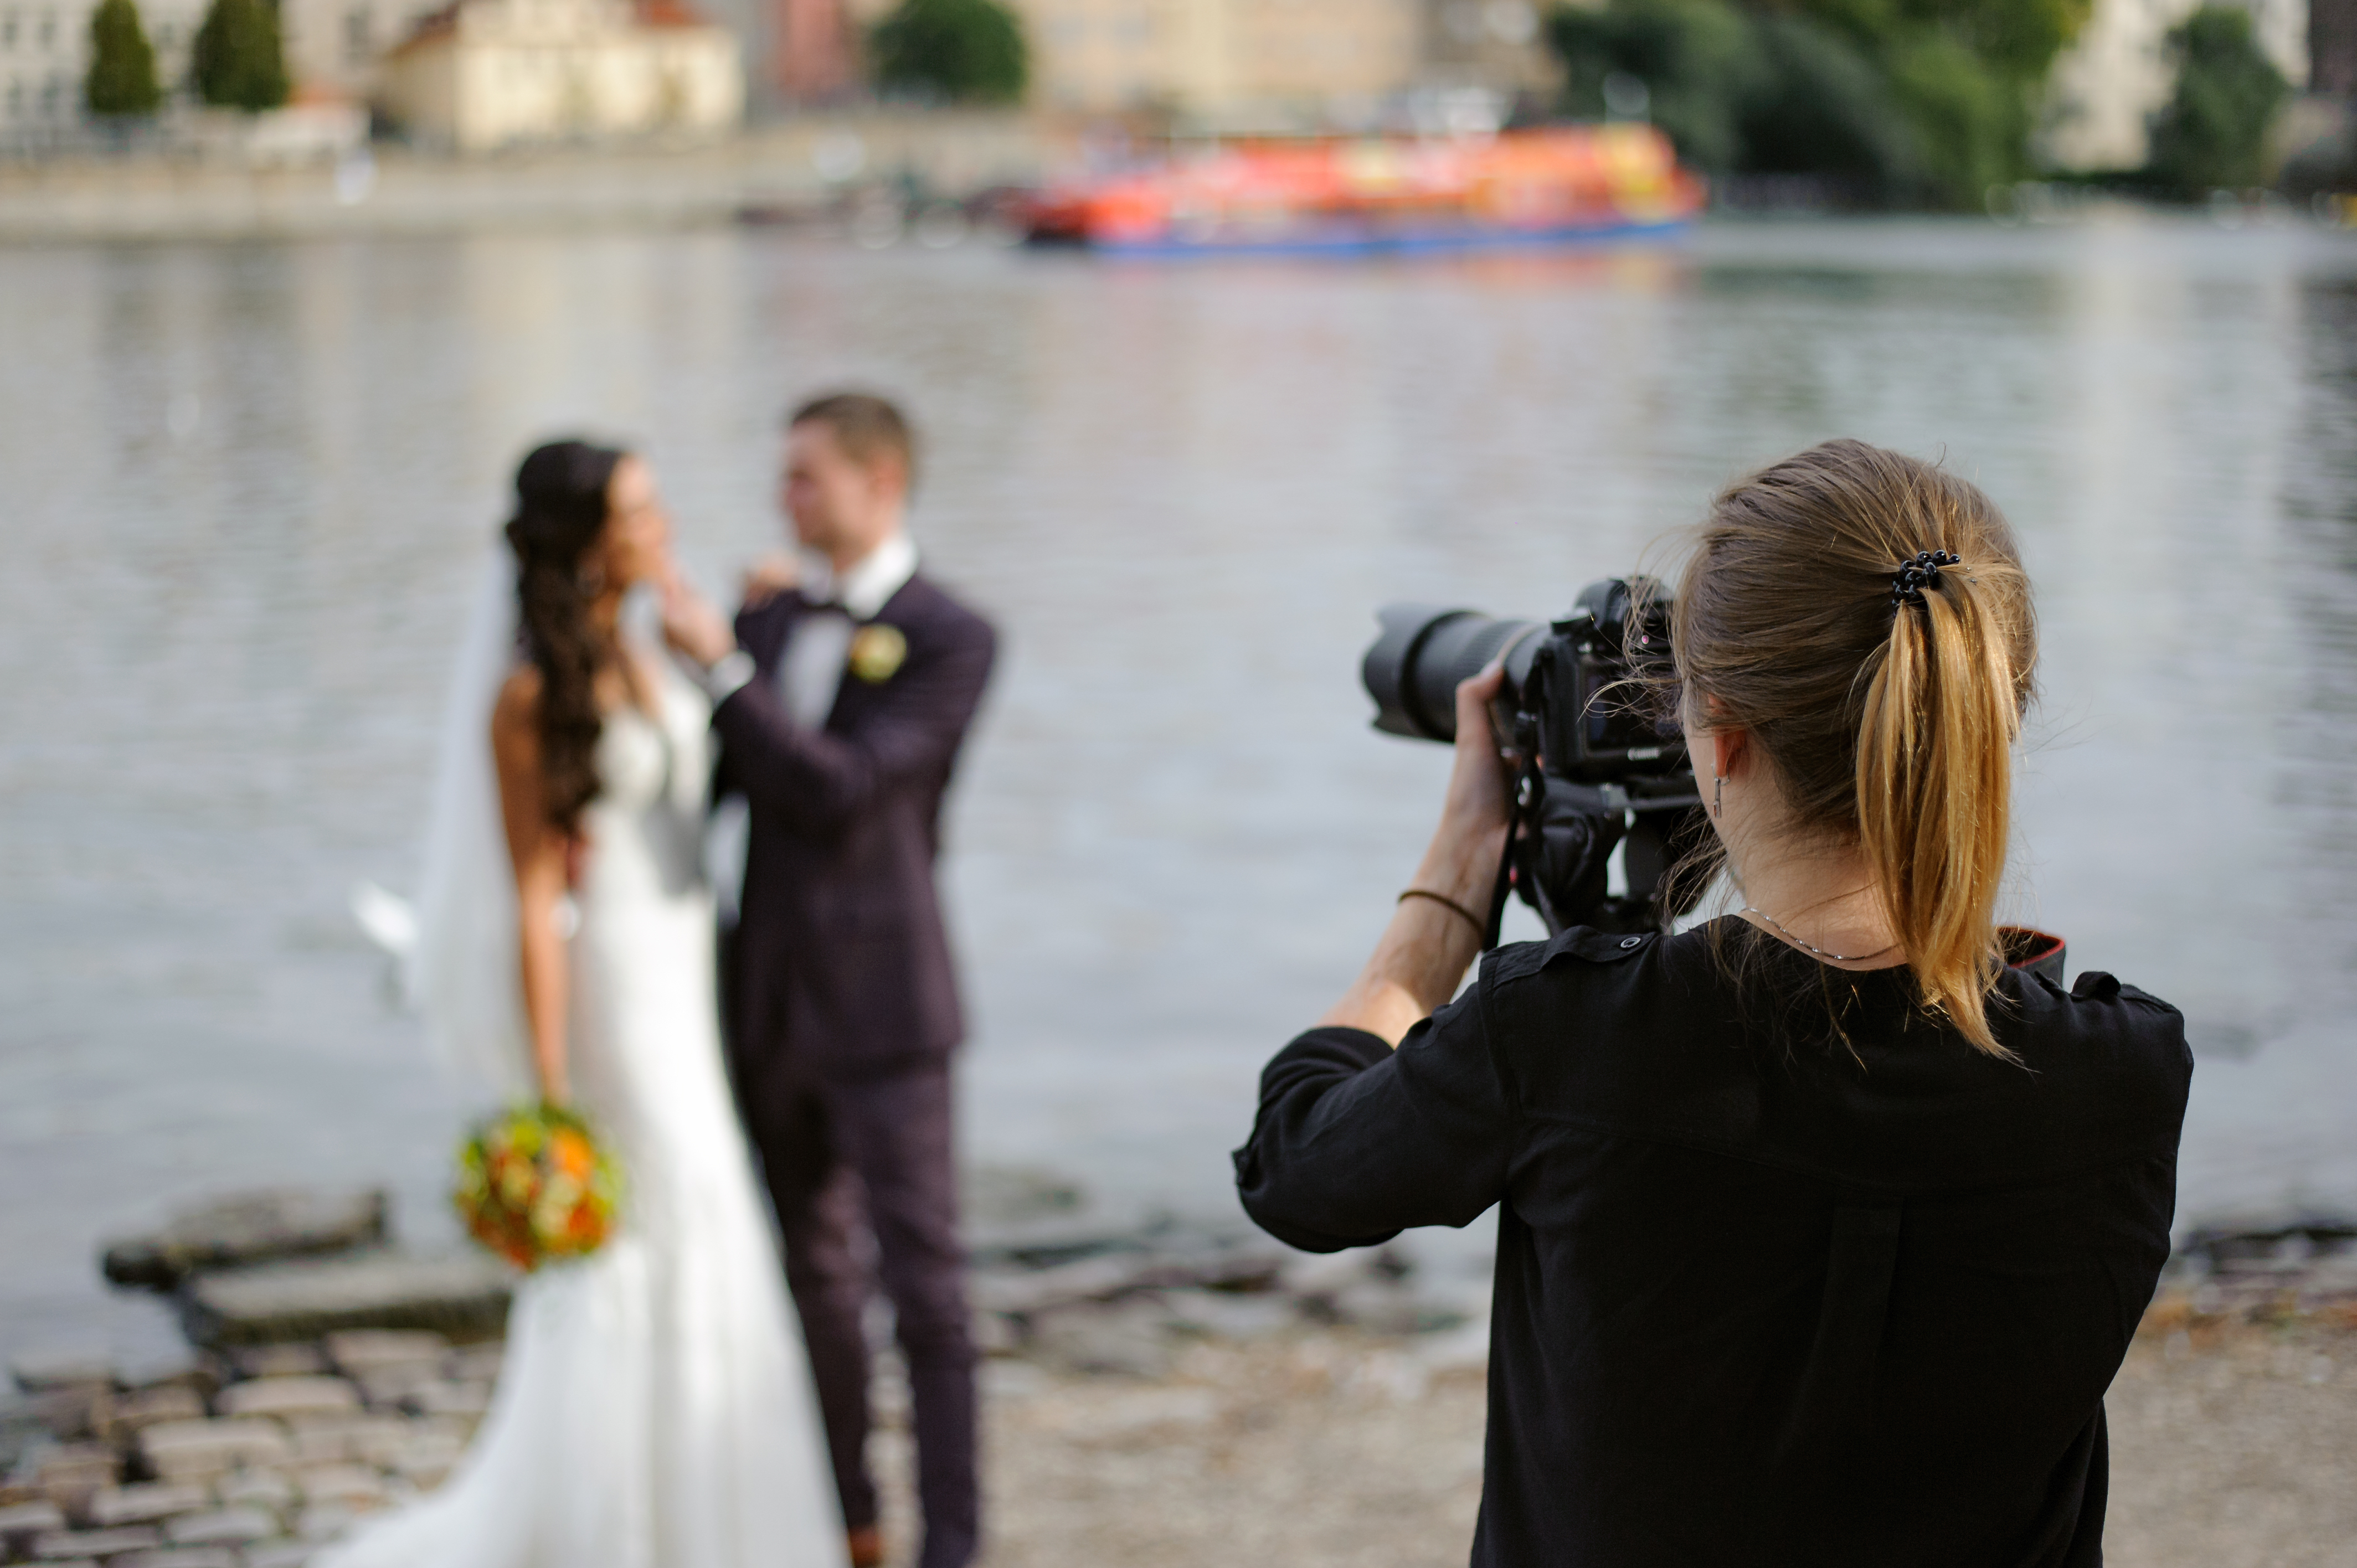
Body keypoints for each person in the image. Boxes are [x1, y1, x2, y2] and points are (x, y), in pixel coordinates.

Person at [1233, 440, 2193, 1567]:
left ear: (1721, 735)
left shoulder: (1567, 1041)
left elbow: (1293, 1166)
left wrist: (1456, 873)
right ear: (1991, 714)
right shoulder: (2123, 1074)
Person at [320, 441, 846, 1568]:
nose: (663, 523)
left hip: (684, 970)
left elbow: (736, 751)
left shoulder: (651, 641)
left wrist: (745, 632)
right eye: (639, 510)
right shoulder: (527, 695)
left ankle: (719, 1507)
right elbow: (533, 901)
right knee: (657, 1219)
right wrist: (549, 1089)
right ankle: (626, 1526)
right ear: (587, 539)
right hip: (617, 988)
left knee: (711, 1209)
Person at [661, 394, 996, 1568]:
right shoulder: (771, 617)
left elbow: (842, 791)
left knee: (930, 1295)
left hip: (888, 1007)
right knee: (809, 1275)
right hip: (763, 1003)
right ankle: (847, 1521)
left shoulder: (954, 635)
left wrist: (717, 670)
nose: (784, 500)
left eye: (805, 478)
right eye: (783, 478)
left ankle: (952, 1548)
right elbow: (717, 784)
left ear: (879, 482)